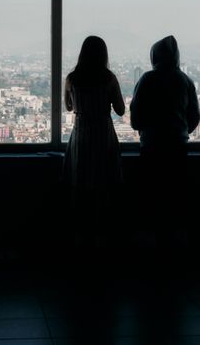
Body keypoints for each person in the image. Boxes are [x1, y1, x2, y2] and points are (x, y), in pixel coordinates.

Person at [130, 35, 200, 247]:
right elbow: (195, 116)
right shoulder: (185, 81)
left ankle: (151, 243)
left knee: (151, 196)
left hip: (151, 146)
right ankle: (176, 244)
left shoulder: (147, 79)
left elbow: (135, 116)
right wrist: (181, 131)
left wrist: (144, 129)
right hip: (178, 147)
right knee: (176, 196)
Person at [64, 36, 125, 246]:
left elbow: (69, 107)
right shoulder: (109, 79)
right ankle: (102, 238)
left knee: (80, 186)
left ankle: (80, 238)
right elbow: (120, 110)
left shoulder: (72, 79)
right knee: (104, 185)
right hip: (103, 134)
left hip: (81, 134)